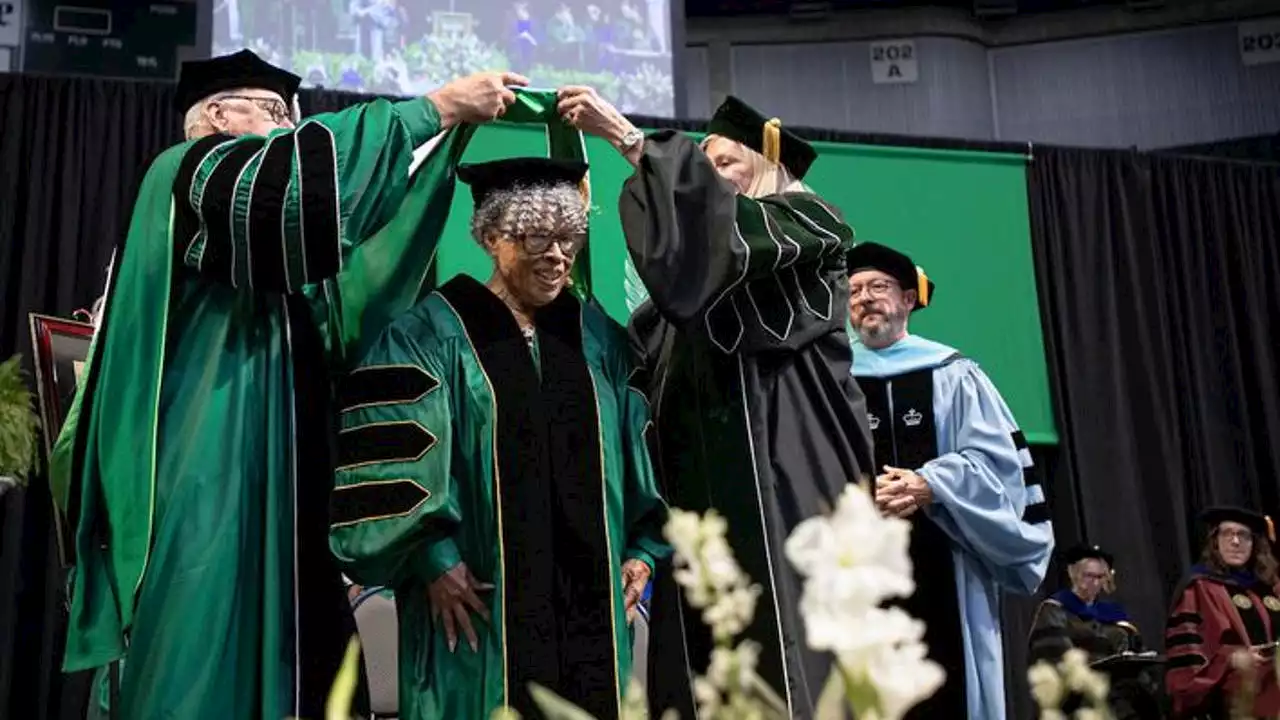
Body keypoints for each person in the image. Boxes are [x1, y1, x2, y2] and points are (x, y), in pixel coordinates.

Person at [49, 48, 527, 720]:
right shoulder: (187, 173)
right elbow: (285, 193)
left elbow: (354, 283)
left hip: (278, 483)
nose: (289, 127)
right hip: (203, 474)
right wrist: (435, 109)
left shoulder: (274, 245)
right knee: (199, 657)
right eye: (274, 112)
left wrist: (445, 149)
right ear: (214, 116)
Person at [556, 87, 875, 719]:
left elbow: (724, 235)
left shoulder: (811, 226)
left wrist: (627, 138)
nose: (709, 182)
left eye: (724, 165)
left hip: (788, 479)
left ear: (768, 162)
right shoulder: (689, 298)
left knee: (790, 646)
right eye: (703, 170)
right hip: (701, 492)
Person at [329, 157, 671, 720]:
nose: (558, 255)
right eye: (538, 237)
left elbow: (638, 448)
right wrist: (432, 556)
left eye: (569, 238)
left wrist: (641, 550)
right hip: (473, 598)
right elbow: (386, 463)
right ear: (491, 237)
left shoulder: (596, 337)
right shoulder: (428, 334)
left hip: (587, 604)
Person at [845, 241, 1054, 718]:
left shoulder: (954, 372)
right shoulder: (832, 378)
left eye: (878, 286)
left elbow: (999, 465)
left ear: (908, 299)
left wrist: (931, 484)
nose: (864, 298)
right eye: (854, 291)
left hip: (947, 557)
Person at [1166, 506, 1280, 718]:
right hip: (1230, 699)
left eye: (1243, 535)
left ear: (1254, 543)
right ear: (1214, 541)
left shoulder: (1271, 586)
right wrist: (1233, 658)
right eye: (1227, 534)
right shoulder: (1199, 587)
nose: (1235, 542)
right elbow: (1188, 661)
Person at [1030, 545, 1163, 719]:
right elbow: (1055, 662)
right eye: (1088, 576)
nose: (1094, 582)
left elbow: (1139, 653)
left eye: (1100, 577)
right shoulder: (1054, 611)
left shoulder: (1115, 615)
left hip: (1124, 703)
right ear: (1073, 574)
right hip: (1079, 707)